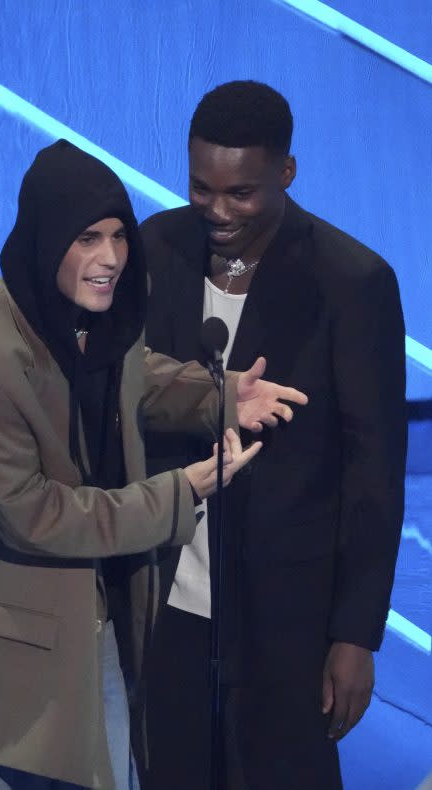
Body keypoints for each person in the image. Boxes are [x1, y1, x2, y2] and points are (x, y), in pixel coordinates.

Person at [0, 138, 307, 790]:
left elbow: (129, 377)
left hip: (86, 644)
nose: (110, 257)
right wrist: (180, 492)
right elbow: (37, 515)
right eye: (87, 238)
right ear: (46, 237)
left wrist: (225, 395)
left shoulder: (88, 320)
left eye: (117, 236)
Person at [140, 81, 407, 789]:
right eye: (201, 188)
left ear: (285, 173)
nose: (217, 211)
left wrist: (353, 635)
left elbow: (372, 471)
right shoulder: (154, 248)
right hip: (167, 606)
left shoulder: (350, 282)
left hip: (287, 620)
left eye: (241, 194)